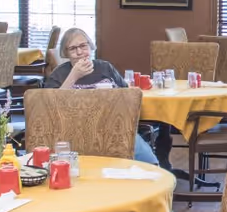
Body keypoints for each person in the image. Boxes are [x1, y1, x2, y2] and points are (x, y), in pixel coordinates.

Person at [43, 28, 163, 167]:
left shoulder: (105, 68)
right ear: (66, 52)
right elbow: (51, 107)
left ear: (90, 46)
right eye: (73, 48)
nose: (79, 52)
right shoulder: (59, 74)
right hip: (76, 130)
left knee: (151, 164)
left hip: (114, 128)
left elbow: (127, 96)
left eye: (83, 46)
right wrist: (74, 76)